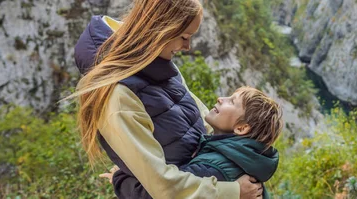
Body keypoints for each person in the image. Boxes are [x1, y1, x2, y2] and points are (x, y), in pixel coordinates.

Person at [67, 0, 262, 198]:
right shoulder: (119, 96)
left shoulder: (160, 67)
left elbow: (203, 119)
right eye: (184, 37)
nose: (187, 46)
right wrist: (233, 191)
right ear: (160, 29)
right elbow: (162, 185)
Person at [107, 87, 283, 199]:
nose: (221, 98)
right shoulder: (243, 158)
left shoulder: (212, 167)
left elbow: (156, 194)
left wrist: (119, 177)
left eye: (232, 101)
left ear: (242, 128)